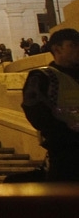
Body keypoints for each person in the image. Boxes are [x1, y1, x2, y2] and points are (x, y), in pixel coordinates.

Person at [22, 27, 79, 182]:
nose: (78, 49)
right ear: (57, 49)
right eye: (73, 45)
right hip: (64, 153)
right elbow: (37, 113)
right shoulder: (42, 77)